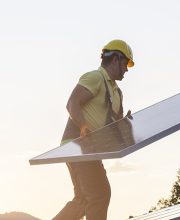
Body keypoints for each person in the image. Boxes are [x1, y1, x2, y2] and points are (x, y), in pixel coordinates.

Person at [53, 39, 135, 220]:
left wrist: (126, 124)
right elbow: (72, 103)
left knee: (84, 199)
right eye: (126, 63)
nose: (127, 69)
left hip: (88, 149)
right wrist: (83, 126)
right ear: (115, 59)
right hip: (78, 145)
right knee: (100, 194)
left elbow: (115, 125)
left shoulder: (117, 92)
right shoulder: (95, 78)